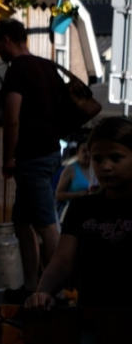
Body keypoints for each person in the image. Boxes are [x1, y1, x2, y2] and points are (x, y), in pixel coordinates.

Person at [26, 117, 132, 311]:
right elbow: (62, 262)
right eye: (97, 159)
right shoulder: (82, 208)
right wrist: (43, 293)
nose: (105, 167)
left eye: (116, 158)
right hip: (90, 322)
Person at [0, 19, 61, 300]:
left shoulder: (17, 71)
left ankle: (56, 291)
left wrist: (7, 158)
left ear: (7, 40)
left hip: (31, 157)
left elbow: (12, 119)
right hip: (50, 151)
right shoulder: (47, 67)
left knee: (46, 224)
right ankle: (30, 285)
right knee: (22, 221)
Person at [56, 140, 96, 221]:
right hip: (73, 215)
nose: (87, 154)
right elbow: (58, 195)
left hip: (93, 215)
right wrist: (79, 194)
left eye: (89, 151)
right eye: (84, 151)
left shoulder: (96, 168)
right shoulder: (70, 169)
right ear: (77, 152)